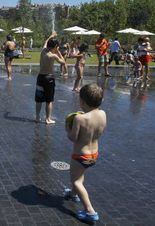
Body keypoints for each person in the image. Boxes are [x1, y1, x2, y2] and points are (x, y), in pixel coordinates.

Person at [64, 83, 106, 222]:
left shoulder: (79, 119)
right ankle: (72, 194)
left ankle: (90, 211)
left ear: (82, 101)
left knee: (76, 180)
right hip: (94, 154)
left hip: (80, 155)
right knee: (80, 175)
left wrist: (67, 128)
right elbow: (98, 130)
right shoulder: (102, 114)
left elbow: (72, 138)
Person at [35, 32, 66, 124]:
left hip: (40, 77)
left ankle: (37, 117)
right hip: (49, 78)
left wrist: (51, 36)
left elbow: (46, 42)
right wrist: (58, 52)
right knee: (49, 100)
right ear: (55, 47)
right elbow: (63, 62)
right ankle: (48, 119)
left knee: (39, 99)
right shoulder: (53, 55)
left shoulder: (43, 50)